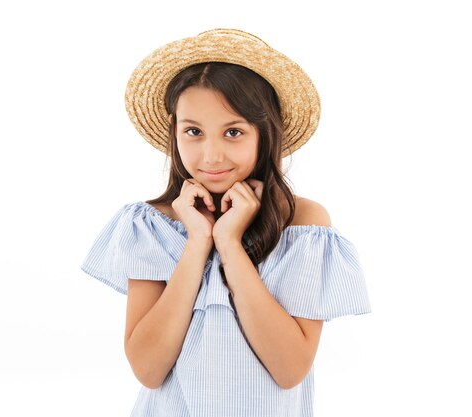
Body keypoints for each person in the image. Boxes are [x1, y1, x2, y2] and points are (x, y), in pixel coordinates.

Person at [81, 28, 371, 417]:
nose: (211, 155)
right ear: (175, 132)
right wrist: (198, 241)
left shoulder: (304, 224)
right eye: (193, 132)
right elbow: (148, 369)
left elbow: (289, 369)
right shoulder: (152, 225)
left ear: (265, 134)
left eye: (233, 132)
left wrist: (231, 245)